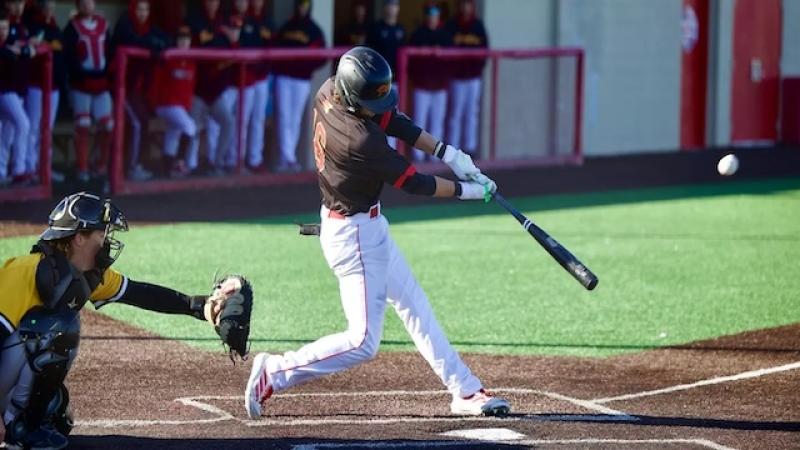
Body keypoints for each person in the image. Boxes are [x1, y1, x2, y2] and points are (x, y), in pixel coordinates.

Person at [244, 46, 510, 420]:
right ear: (354, 98)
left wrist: (448, 153)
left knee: (415, 304)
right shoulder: (359, 141)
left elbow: (392, 119)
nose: (379, 107)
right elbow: (415, 183)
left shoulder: (330, 89)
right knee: (362, 342)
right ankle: (274, 371)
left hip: (364, 226)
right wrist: (469, 190)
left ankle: (464, 389)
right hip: (353, 237)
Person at [0, 192, 234, 450]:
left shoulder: (83, 275)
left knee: (56, 411)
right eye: (102, 233)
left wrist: (199, 307)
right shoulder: (24, 271)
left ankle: (21, 424)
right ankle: (22, 430)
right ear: (79, 238)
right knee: (57, 328)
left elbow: (140, 293)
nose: (107, 240)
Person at [112, 0, 169, 182]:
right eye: (139, 9)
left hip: (134, 89)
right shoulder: (124, 23)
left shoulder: (149, 28)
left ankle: (134, 165)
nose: (142, 13)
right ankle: (130, 167)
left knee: (142, 122)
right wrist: (151, 45)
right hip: (118, 86)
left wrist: (157, 44)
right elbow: (132, 40)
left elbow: (166, 40)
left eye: (146, 9)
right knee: (136, 124)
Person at [63, 0, 115, 184]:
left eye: (90, 2)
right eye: (83, 3)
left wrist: (108, 74)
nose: (87, 6)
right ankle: (82, 167)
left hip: (101, 83)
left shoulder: (103, 25)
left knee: (108, 125)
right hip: (81, 84)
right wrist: (77, 75)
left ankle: (100, 165)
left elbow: (110, 52)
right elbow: (68, 55)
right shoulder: (72, 27)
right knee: (83, 124)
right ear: (78, 6)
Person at [273, 0, 325, 173]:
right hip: (283, 77)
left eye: (305, 5)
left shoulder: (314, 30)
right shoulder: (286, 27)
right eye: (300, 5)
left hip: (301, 80)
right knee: (283, 115)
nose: (302, 8)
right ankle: (285, 157)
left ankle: (289, 156)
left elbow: (322, 55)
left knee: (295, 118)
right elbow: (274, 47)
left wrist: (306, 68)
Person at [186, 0, 236, 176]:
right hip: (198, 89)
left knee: (228, 123)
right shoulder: (195, 21)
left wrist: (231, 40)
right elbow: (193, 46)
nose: (212, 3)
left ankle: (217, 163)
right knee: (192, 128)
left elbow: (234, 50)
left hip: (216, 91)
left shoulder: (225, 23)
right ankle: (189, 166)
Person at [24, 0, 67, 184]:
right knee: (32, 127)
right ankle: (30, 167)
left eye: (52, 7)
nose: (50, 10)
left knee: (47, 128)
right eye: (47, 7)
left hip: (53, 86)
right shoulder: (32, 25)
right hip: (35, 85)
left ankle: (45, 168)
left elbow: (61, 50)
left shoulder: (54, 27)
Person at [149, 26, 196, 178]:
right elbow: (156, 81)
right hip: (166, 103)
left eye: (186, 38)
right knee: (190, 127)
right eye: (181, 38)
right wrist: (153, 102)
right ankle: (179, 163)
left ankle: (167, 168)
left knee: (173, 133)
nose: (184, 41)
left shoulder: (192, 60)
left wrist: (187, 105)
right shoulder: (167, 56)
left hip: (179, 106)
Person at [409, 3, 452, 161]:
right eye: (429, 14)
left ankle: (435, 157)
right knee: (419, 122)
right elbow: (411, 63)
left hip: (440, 87)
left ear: (438, 16)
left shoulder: (445, 36)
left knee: (437, 123)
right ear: (426, 16)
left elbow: (452, 61)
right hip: (422, 86)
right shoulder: (418, 34)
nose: (432, 18)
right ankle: (418, 156)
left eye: (435, 14)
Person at [445, 0, 487, 159]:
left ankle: (470, 148)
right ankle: (453, 150)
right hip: (457, 77)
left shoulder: (478, 25)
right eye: (463, 4)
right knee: (455, 114)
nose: (465, 7)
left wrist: (477, 70)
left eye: (468, 4)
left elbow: (485, 50)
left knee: (472, 113)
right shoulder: (452, 25)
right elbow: (446, 49)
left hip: (473, 77)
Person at [0, 4, 34, 187]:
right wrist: (21, 52)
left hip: (11, 91)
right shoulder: (6, 48)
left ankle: (3, 171)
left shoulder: (10, 40)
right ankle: (18, 169)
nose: (2, 32)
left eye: (5, 28)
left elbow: (20, 51)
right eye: (0, 28)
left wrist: (24, 50)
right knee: (23, 123)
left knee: (7, 131)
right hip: (5, 92)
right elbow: (11, 54)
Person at [365, 0, 404, 149]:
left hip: (396, 81)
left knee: (393, 117)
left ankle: (390, 150)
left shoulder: (401, 30)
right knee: (375, 116)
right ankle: (375, 150)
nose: (392, 8)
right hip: (378, 81)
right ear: (384, 8)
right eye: (389, 4)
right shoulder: (375, 29)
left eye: (395, 5)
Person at [245, 0, 274, 173]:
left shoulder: (268, 22)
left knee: (258, 119)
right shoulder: (244, 20)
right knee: (243, 119)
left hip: (262, 77)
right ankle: (236, 158)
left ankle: (255, 158)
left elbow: (272, 46)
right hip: (245, 78)